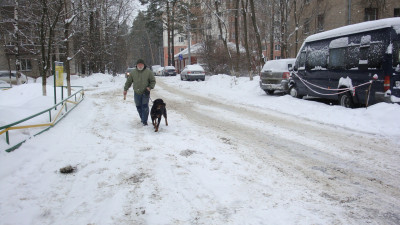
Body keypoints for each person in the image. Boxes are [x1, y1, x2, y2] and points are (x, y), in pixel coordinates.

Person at [124, 59, 156, 126]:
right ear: (137, 65)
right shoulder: (133, 72)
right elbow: (129, 82)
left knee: (145, 106)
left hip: (145, 92)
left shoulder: (148, 72)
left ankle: (144, 121)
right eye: (139, 64)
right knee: (138, 106)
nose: (140, 65)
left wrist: (149, 87)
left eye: (141, 64)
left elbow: (153, 81)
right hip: (136, 92)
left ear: (144, 65)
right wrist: (125, 89)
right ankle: (142, 118)